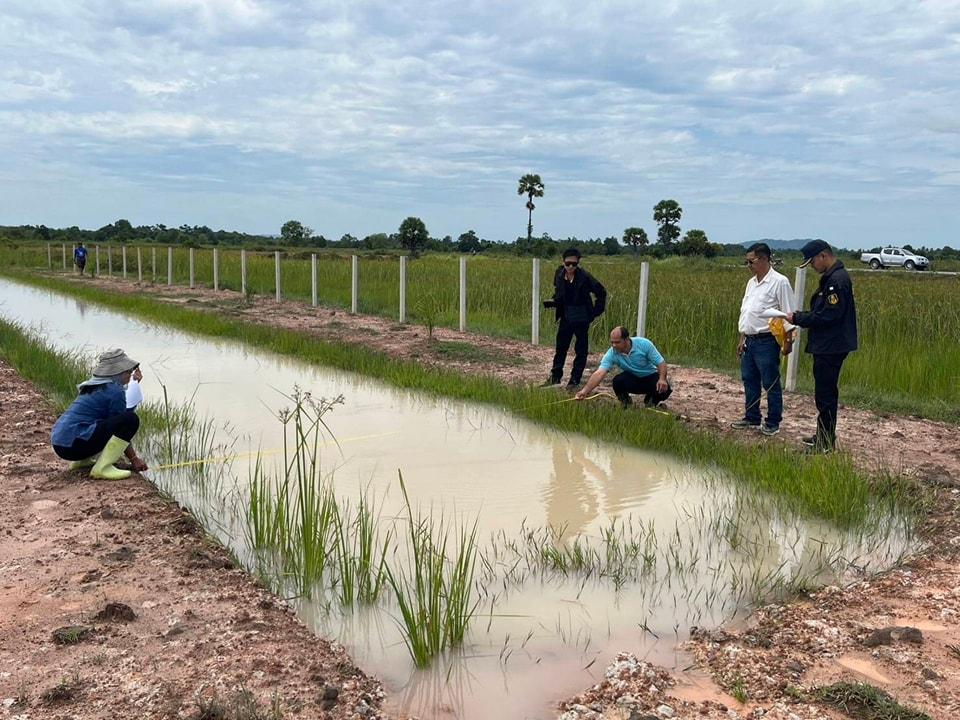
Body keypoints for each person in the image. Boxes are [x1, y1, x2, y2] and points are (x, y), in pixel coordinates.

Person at [786, 240, 858, 453]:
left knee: (825, 395)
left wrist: (799, 318)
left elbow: (829, 315)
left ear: (823, 256)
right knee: (823, 393)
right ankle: (823, 435)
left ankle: (825, 442)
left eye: (812, 262)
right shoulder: (833, 277)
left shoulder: (837, 280)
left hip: (831, 346)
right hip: (827, 344)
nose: (812, 267)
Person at [51, 348, 149, 480]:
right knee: (131, 420)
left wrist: (134, 383)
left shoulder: (94, 386)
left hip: (61, 444)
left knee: (103, 423)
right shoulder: (115, 391)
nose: (130, 374)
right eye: (128, 372)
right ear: (118, 373)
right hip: (73, 447)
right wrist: (134, 459)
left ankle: (82, 461)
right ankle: (103, 468)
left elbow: (114, 420)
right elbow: (122, 424)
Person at [731, 242, 796, 436]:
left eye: (751, 261)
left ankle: (773, 421)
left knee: (770, 382)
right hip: (749, 340)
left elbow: (788, 314)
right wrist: (742, 338)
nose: (748, 265)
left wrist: (788, 342)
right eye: (746, 262)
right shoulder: (751, 283)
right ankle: (752, 416)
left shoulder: (780, 282)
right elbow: (747, 312)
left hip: (767, 340)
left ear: (765, 259)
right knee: (749, 380)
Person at [542, 247, 607, 389]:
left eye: (574, 264)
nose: (570, 267)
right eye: (568, 263)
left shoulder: (585, 277)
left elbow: (601, 292)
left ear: (578, 263)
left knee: (581, 350)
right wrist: (554, 302)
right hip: (566, 315)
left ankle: (575, 380)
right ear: (563, 262)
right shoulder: (559, 274)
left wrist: (594, 313)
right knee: (561, 347)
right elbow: (559, 292)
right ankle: (555, 377)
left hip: (581, 317)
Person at [575, 326, 672, 408]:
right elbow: (599, 373)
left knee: (664, 388)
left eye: (617, 342)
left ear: (626, 339)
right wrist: (584, 391)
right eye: (612, 342)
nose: (614, 345)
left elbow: (661, 363)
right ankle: (626, 405)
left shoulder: (644, 344)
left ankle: (651, 403)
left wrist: (662, 379)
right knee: (618, 381)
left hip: (650, 376)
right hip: (633, 378)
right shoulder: (612, 353)